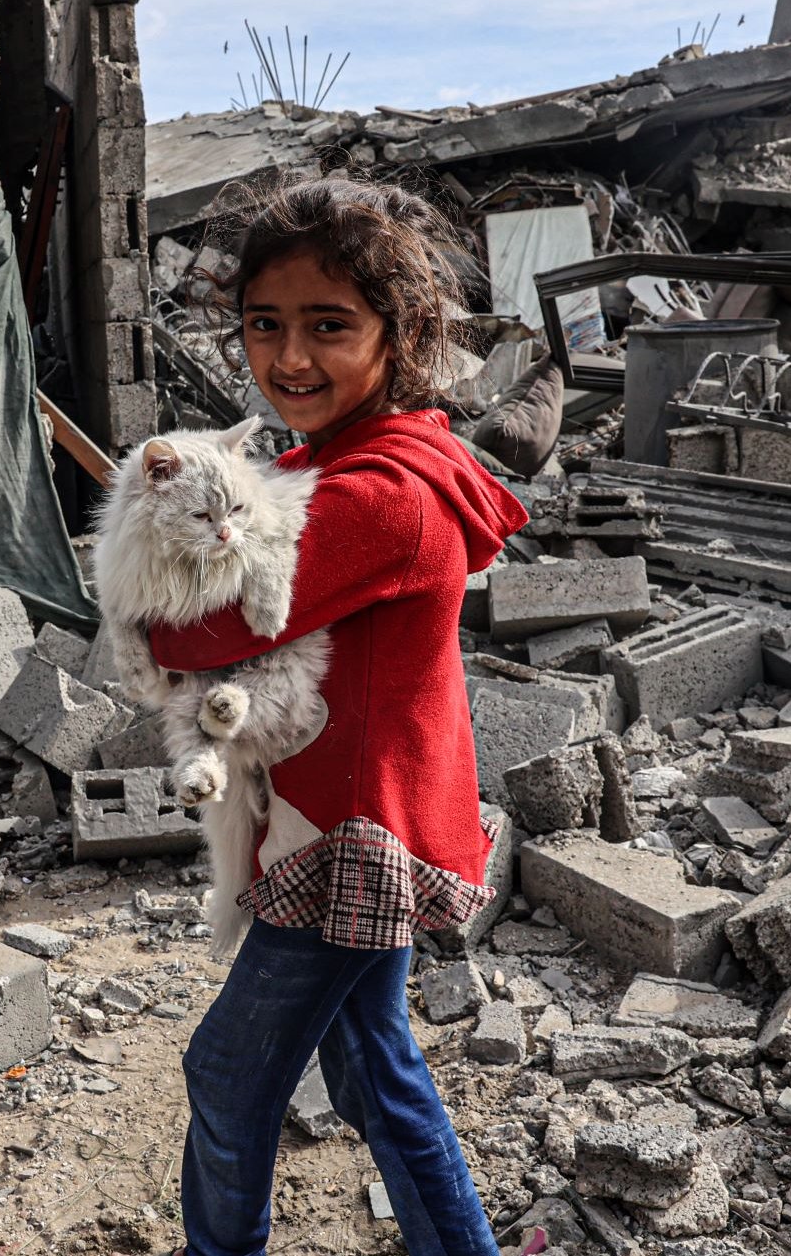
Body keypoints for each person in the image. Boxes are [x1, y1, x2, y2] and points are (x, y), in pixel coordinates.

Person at [149, 175, 527, 1256]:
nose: (289, 357)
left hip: (348, 842)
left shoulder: (374, 495)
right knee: (371, 1065)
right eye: (263, 324)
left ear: (396, 334)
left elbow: (192, 632)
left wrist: (150, 582)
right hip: (371, 810)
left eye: (328, 325)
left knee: (226, 1071)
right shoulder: (347, 459)